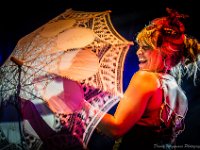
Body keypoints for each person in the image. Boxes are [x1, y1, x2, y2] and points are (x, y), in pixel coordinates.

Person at [91, 8, 200, 150]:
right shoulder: (180, 94)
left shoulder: (145, 78)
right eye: (140, 46)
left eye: (146, 47)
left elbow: (116, 129)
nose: (138, 51)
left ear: (167, 53)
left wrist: (79, 105)